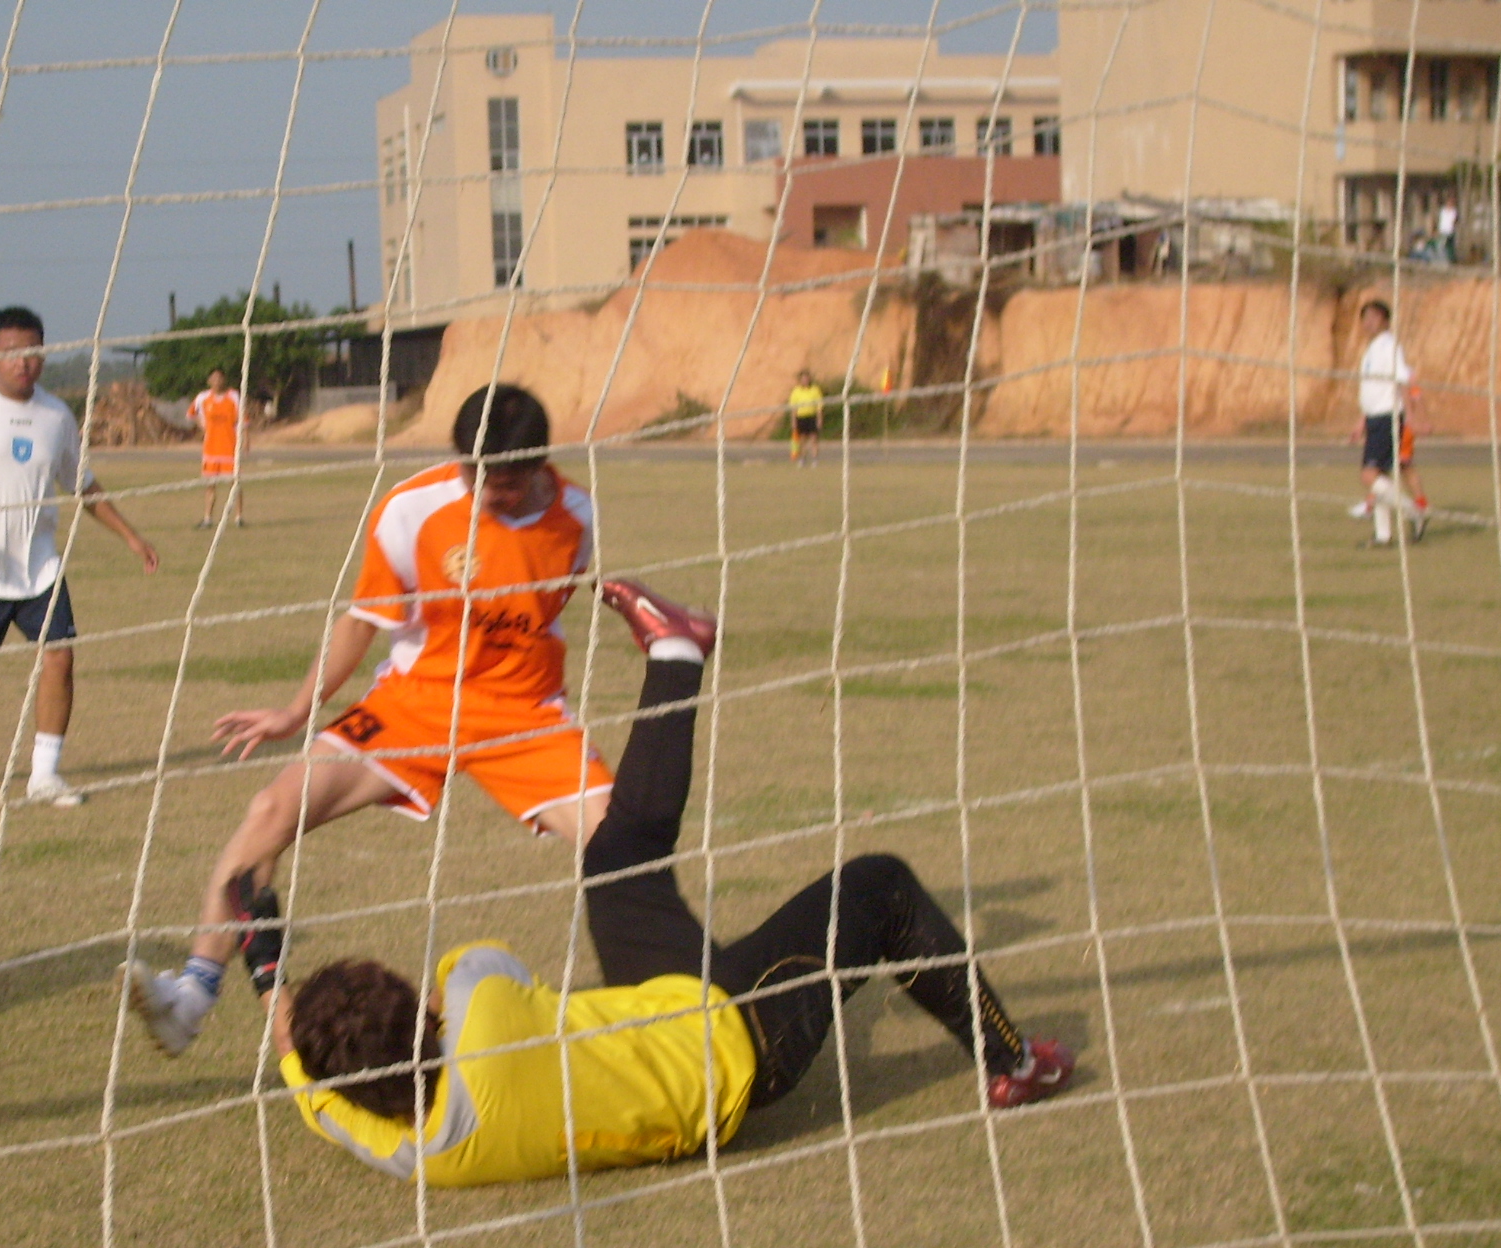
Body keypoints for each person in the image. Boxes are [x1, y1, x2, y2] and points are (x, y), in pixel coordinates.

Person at [125, 579, 1075, 1186]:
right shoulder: (479, 1005)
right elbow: (401, 1001)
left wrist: (264, 968)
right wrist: (272, 952)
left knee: (619, 851)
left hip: (650, 1010)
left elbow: (296, 1045)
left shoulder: (388, 1137)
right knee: (880, 885)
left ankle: (677, 650)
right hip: (733, 1049)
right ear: (419, 1010)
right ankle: (1015, 1062)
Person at [127, 382, 611, 1051]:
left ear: (538, 465)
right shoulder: (412, 509)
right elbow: (361, 622)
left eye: (506, 483)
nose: (489, 495)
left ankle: (653, 998)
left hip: (521, 712)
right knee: (271, 810)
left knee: (619, 842)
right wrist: (297, 710)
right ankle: (190, 998)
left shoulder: (578, 516)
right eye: (477, 478)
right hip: (414, 706)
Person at [0, 305, 159, 806]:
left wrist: (130, 536)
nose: (23, 362)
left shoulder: (57, 416)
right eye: (13, 352)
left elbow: (82, 484)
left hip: (38, 570)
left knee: (60, 655)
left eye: (33, 352)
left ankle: (44, 775)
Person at [1349, 299, 1426, 548]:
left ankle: (1414, 511)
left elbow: (1402, 379)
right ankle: (1383, 536)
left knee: (1369, 475)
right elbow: (1372, 389)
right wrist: (1362, 421)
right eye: (1365, 318)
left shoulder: (1390, 345)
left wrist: (1411, 416)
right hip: (1374, 417)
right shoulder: (1372, 349)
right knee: (1380, 475)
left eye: (1373, 317)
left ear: (1385, 320)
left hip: (1388, 416)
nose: (1368, 323)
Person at [187, 367, 247, 528]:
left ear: (224, 380)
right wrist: (203, 425)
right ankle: (207, 518)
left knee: (235, 483)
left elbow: (243, 420)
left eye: (219, 378)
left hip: (230, 448)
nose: (217, 381)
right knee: (210, 484)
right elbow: (191, 414)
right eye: (213, 378)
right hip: (211, 449)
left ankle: (239, 517)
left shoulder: (233, 396)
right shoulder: (203, 398)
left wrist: (245, 440)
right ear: (209, 381)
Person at [787, 367, 824, 466]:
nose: (805, 380)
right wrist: (793, 421)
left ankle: (815, 459)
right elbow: (793, 408)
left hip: (812, 416)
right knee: (802, 439)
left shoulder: (815, 390)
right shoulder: (796, 391)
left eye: (807, 378)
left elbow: (819, 406)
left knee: (814, 438)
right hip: (801, 417)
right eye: (803, 379)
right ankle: (802, 459)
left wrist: (819, 419)